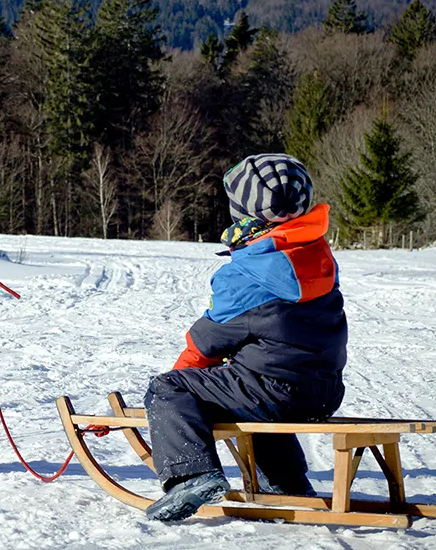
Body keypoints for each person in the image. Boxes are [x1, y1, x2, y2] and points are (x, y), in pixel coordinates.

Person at [144, 154, 347, 522]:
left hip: (277, 392)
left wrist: (179, 386)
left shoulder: (246, 273)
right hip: (324, 392)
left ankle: (193, 476)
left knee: (171, 388)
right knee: (253, 386)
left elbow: (206, 343)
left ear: (243, 213)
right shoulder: (319, 256)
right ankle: (286, 484)